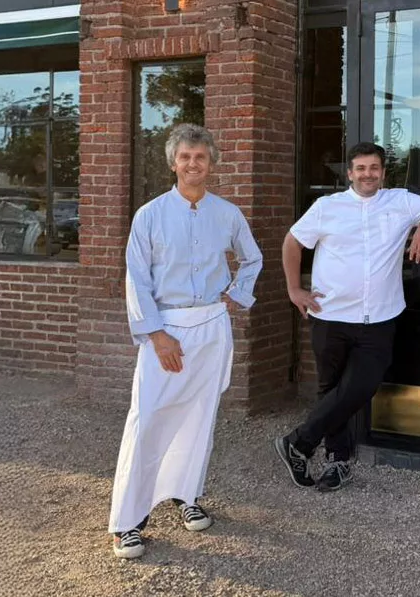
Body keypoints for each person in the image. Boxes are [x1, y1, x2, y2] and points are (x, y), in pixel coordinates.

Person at [108, 123, 263, 559]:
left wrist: (236, 295)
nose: (193, 164)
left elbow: (252, 258)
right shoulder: (150, 215)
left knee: (199, 417)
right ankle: (127, 522)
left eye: (201, 157)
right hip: (167, 327)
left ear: (211, 163)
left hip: (212, 327)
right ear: (173, 163)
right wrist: (157, 334)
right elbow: (137, 279)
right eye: (185, 157)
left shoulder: (227, 214)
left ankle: (187, 495)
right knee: (149, 417)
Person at [274, 142, 420, 491]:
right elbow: (292, 243)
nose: (367, 174)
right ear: (350, 173)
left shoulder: (400, 201)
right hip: (331, 316)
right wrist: (294, 289)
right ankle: (338, 462)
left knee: (360, 386)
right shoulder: (327, 207)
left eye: (374, 168)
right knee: (331, 391)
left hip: (379, 318)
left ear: (383, 172)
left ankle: (298, 443)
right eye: (360, 168)